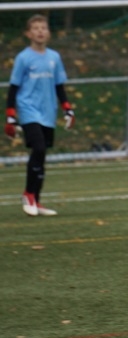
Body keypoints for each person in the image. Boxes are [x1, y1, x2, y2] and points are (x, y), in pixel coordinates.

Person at [5, 14, 76, 217]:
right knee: (38, 147)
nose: (40, 31)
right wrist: (11, 116)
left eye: (43, 28)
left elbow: (59, 86)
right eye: (35, 28)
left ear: (49, 32)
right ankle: (28, 194)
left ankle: (36, 199)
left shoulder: (54, 57)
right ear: (28, 33)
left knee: (42, 155)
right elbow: (14, 87)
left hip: (48, 111)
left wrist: (67, 109)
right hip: (28, 109)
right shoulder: (23, 58)